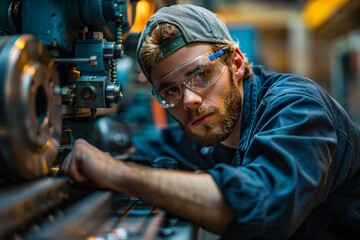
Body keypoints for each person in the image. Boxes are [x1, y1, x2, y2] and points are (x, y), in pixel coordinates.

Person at [61, 4, 360, 239]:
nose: (189, 100)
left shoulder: (299, 107)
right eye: (170, 90)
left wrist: (116, 174)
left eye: (201, 75)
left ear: (237, 63)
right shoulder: (209, 131)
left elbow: (266, 205)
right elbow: (145, 148)